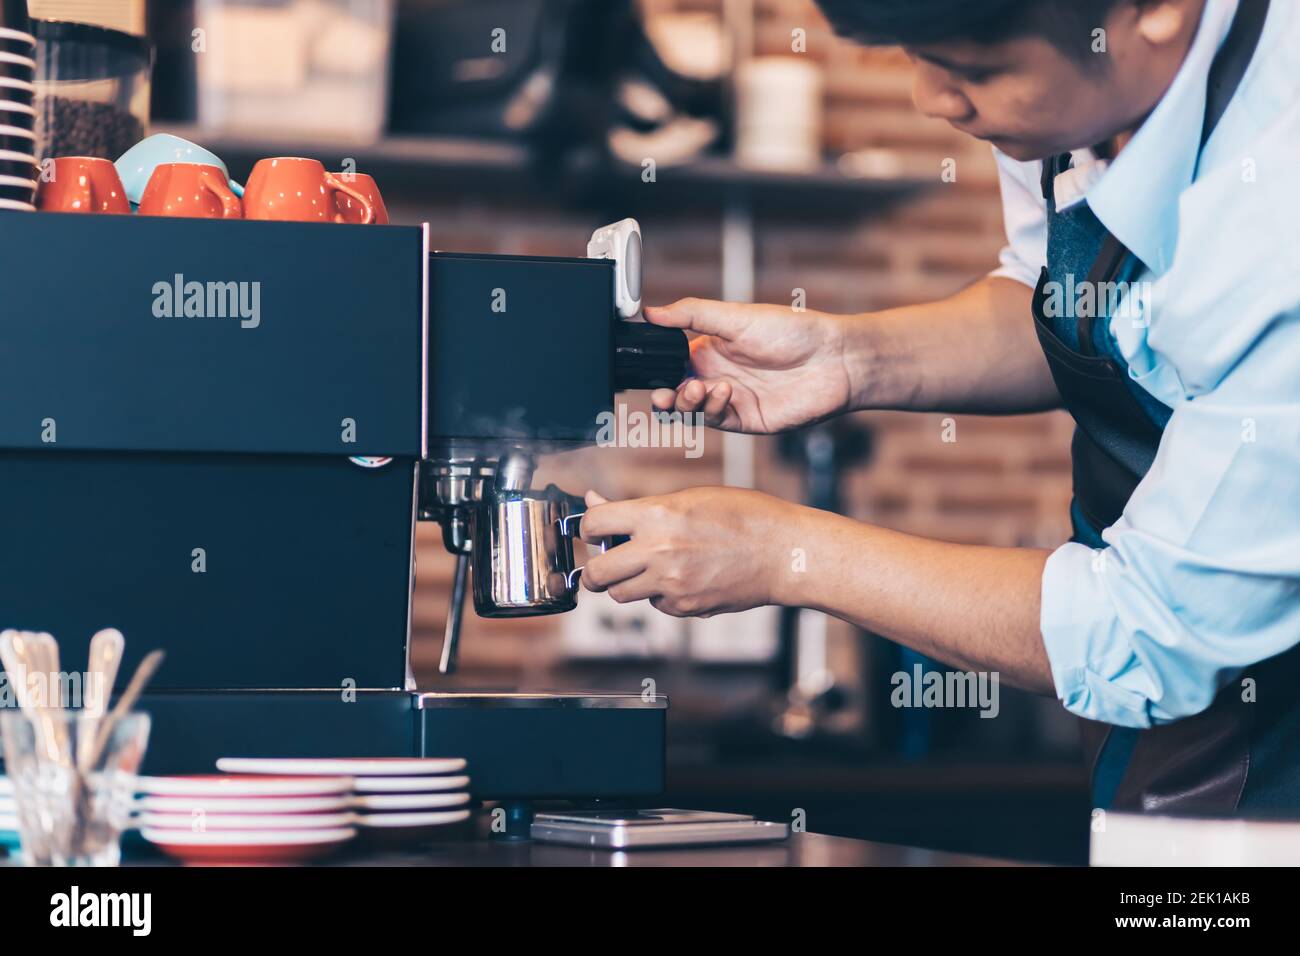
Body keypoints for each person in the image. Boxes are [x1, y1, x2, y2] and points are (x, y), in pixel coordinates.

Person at [578, 0, 1300, 812]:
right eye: (913, 57)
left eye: (977, 69)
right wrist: (848, 358)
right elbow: (1059, 292)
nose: (935, 100)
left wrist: (780, 552)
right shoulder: (1085, 96)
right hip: (1164, 740)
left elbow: (1141, 629)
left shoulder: (1277, 217)